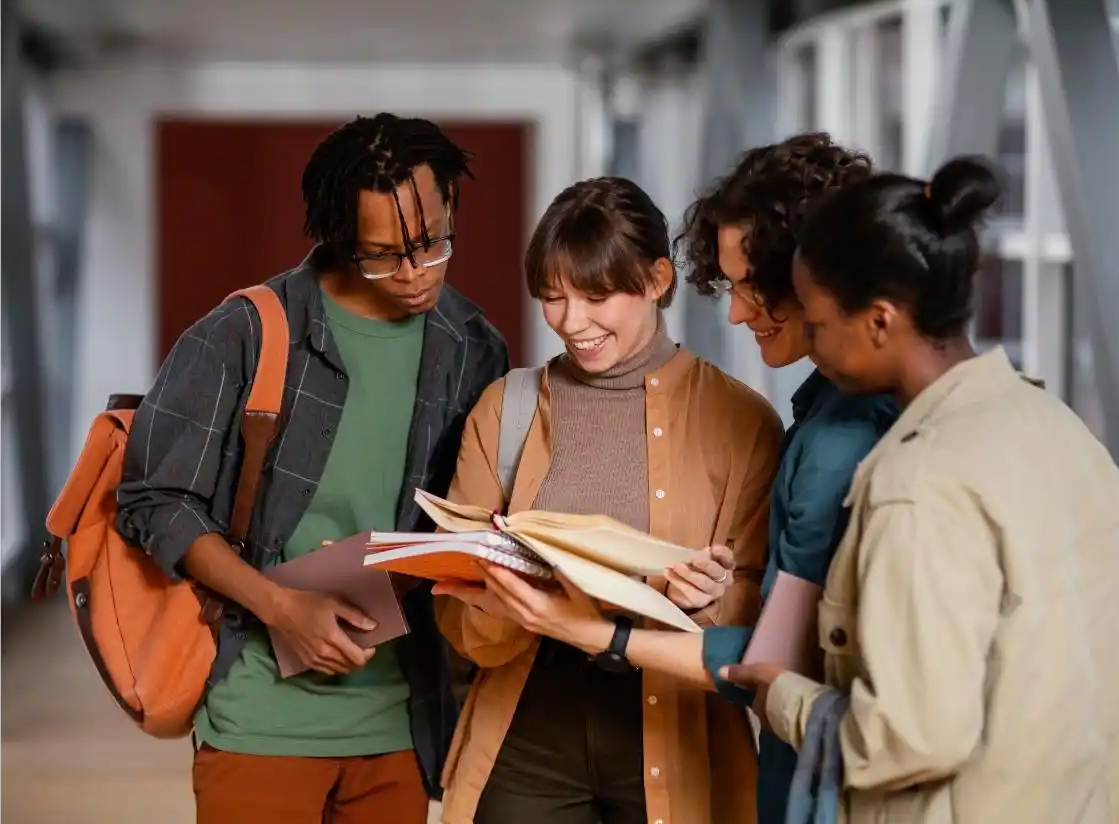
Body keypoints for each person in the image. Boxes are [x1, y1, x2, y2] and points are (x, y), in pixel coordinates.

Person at [474, 133, 899, 824]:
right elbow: (784, 642)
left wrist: (618, 626)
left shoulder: (807, 432)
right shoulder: (815, 419)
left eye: (748, 285)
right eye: (553, 297)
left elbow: (778, 650)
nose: (732, 311)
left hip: (816, 767)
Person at [713, 156, 1119, 822]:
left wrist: (782, 695)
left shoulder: (914, 483)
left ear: (880, 321)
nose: (816, 345)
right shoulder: (1058, 428)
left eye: (822, 325)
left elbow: (906, 737)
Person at [116, 112, 510, 824]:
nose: (416, 274)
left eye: (433, 244)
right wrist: (279, 607)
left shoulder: (474, 347)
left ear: (451, 203)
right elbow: (156, 499)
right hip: (259, 714)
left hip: (403, 721)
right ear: (337, 238)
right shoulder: (242, 333)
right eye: (383, 255)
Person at [431, 175, 784, 824]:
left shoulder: (742, 422)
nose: (572, 322)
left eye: (596, 296)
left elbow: (764, 613)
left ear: (655, 280)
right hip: (526, 735)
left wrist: (697, 602)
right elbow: (459, 622)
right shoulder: (503, 410)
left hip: (677, 734)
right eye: (553, 298)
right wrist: (500, 593)